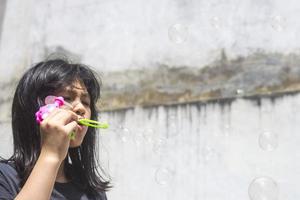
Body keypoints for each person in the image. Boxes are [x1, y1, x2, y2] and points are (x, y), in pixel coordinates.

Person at [0, 58, 110, 199]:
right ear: (36, 109)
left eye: (85, 101)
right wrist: (51, 154)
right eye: (67, 98)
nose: (81, 108)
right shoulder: (5, 177)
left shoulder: (92, 189)